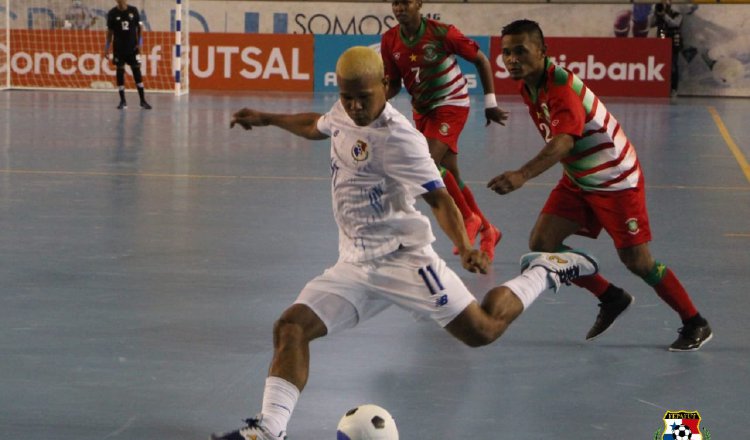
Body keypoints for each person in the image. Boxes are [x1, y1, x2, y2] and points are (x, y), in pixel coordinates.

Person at [210, 46, 599, 440]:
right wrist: (267, 118)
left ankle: (544, 270)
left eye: (364, 97)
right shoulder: (344, 112)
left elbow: (439, 198)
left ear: (386, 85)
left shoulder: (401, 139)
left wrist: (464, 246)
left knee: (482, 330)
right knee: (291, 326)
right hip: (354, 263)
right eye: (348, 97)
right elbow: (318, 125)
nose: (356, 106)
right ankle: (269, 429)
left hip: (405, 261)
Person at [488, 19, 712, 352]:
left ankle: (695, 321)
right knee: (543, 242)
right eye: (506, 52)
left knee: (638, 262)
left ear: (542, 51)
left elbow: (564, 141)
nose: (511, 59)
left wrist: (522, 174)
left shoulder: (560, 86)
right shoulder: (529, 85)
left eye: (520, 51)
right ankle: (611, 296)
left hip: (615, 180)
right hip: (579, 178)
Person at [380, 0, 508, 262]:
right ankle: (488, 229)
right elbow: (393, 84)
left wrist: (490, 103)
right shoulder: (389, 40)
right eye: (395, 3)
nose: (399, 8)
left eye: (405, 3)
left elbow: (481, 60)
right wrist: (374, 100)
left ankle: (469, 218)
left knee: (425, 162)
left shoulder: (442, 33)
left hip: (451, 103)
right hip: (423, 109)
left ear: (418, 4)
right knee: (448, 172)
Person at [104, 0, 151, 110]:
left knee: (137, 72)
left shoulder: (133, 10)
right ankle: (123, 101)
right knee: (120, 72)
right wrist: (106, 47)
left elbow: (140, 28)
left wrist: (140, 44)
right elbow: (109, 32)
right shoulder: (112, 13)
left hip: (132, 48)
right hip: (119, 49)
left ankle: (142, 101)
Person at [654, 0, 683, 96]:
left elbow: (675, 24)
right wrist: (656, 14)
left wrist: (664, 15)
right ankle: (659, 88)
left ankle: (673, 88)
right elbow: (650, 24)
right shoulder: (658, 13)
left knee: (673, 66)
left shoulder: (677, 14)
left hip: (673, 42)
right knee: (659, 66)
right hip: (661, 42)